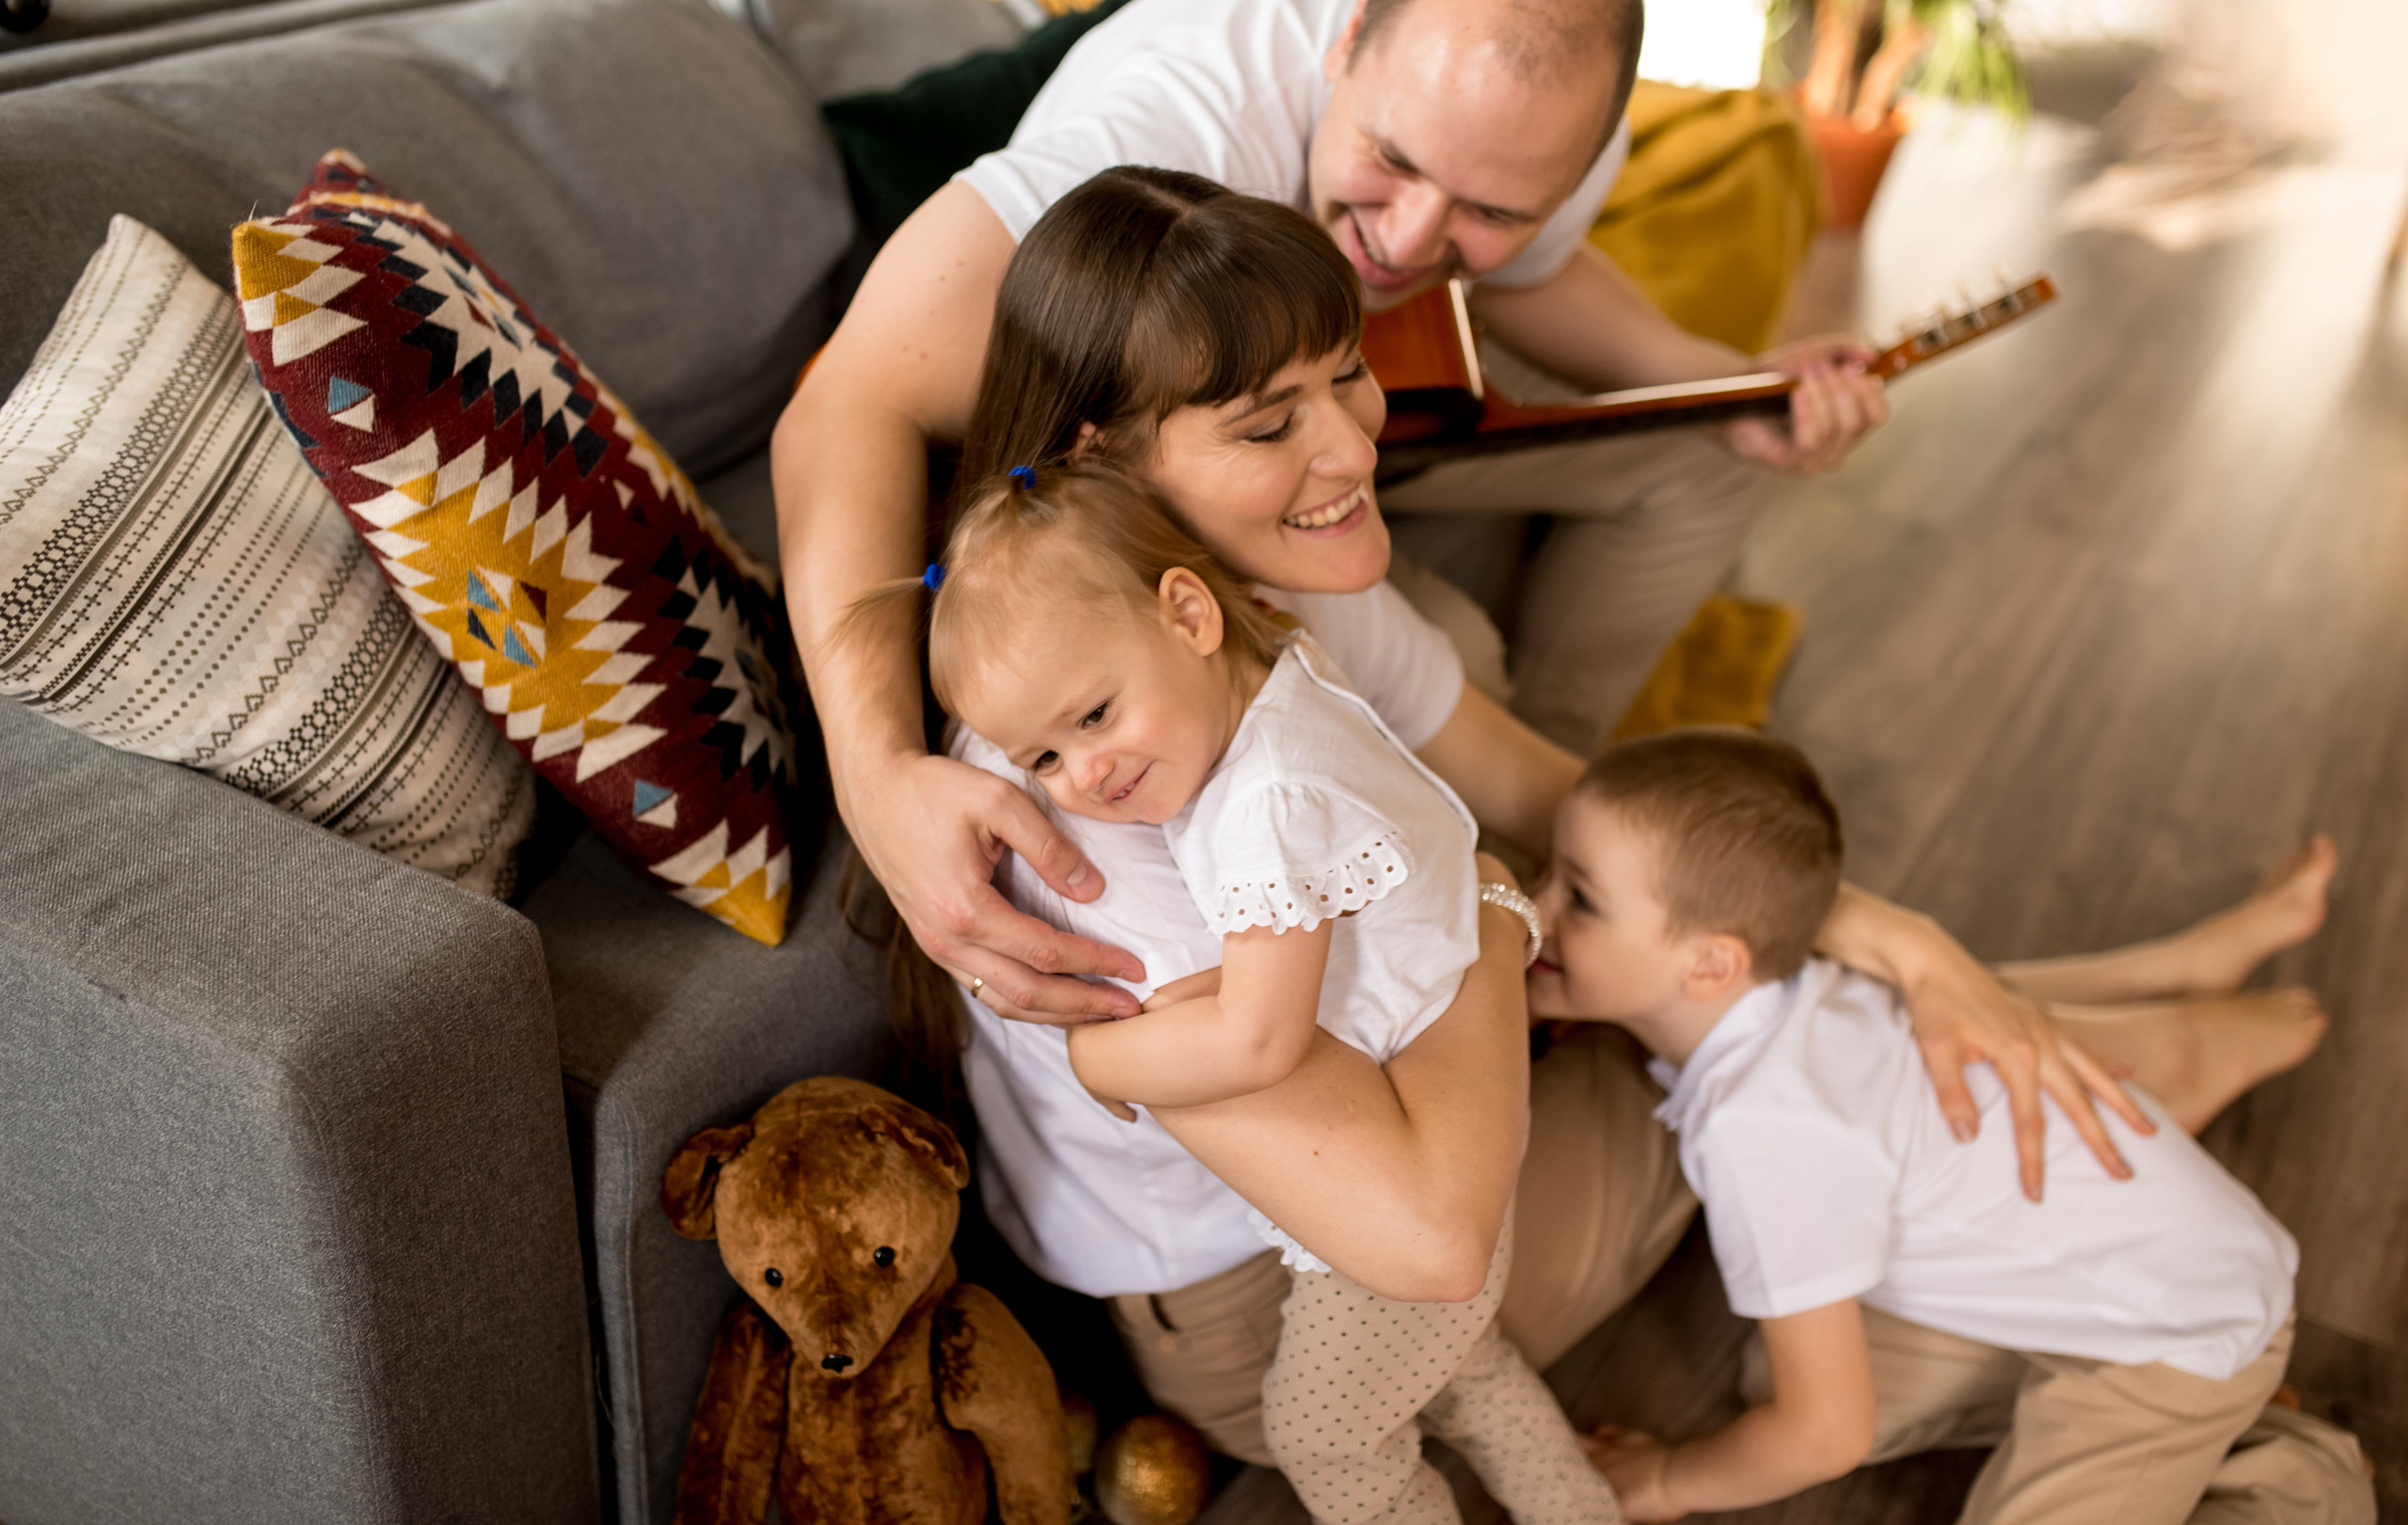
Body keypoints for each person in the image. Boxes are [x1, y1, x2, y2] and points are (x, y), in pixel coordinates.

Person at [832, 166, 2330, 1470]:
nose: (1353, 449)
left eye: (1342, 377)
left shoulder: (1231, 615)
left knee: (1707, 950)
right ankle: (2119, 1061)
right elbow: (1429, 1237)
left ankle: (2081, 1029)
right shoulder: (1097, 798)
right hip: (1289, 1302)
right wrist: (1493, 916)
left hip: (1397, 1107)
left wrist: (1911, 941)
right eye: (1266, 424)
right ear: (1101, 458)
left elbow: (1532, 774)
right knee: (1743, 1047)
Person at [773, 0, 1899, 1046]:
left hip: (1301, 438)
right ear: (1349, 33)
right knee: (1449, 664)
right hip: (1174, 484)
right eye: (1395, 161)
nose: (1410, 244)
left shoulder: (1547, 114)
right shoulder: (1154, 141)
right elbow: (842, 406)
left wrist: (1721, 383)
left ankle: (1572, 856)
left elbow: (1519, 283)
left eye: (1491, 211)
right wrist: (878, 781)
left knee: (1684, 473)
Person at [910, 461, 1615, 1523]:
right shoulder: (1282, 664)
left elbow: (1258, 1042)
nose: (1084, 777)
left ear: (1186, 610)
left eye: (1095, 713)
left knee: (1324, 1433)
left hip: (1413, 1133)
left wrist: (1097, 1056)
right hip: (1434, 1066)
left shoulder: (1262, 811)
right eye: (1043, 755)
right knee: (1466, 1365)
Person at [1533, 728, 2372, 1525]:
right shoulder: (1797, 990)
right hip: (2136, 1265)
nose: (1532, 906)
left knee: (1804, 1416)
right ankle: (2209, 1422)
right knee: (1777, 1385)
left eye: (1580, 898)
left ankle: (2297, 1478)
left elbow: (1827, 1435)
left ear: (1710, 963)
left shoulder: (1766, 1131)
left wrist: (1671, 1477)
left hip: (2173, 1333)